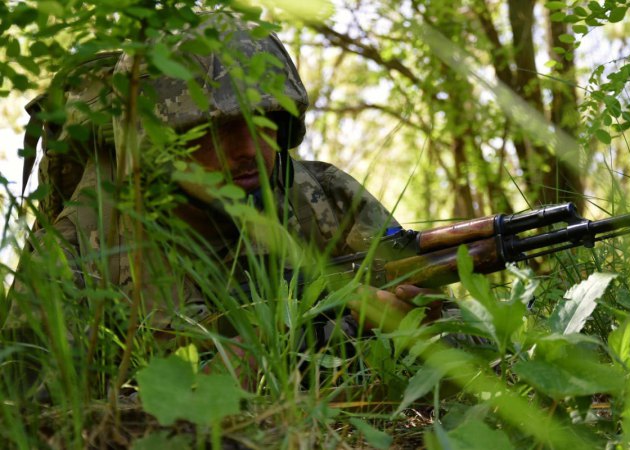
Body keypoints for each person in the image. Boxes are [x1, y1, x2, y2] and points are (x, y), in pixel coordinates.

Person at [2, 12, 437, 387]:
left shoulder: (324, 199)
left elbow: (467, 342)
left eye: (264, 120)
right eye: (217, 130)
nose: (248, 147)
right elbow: (33, 413)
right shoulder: (78, 250)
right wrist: (305, 339)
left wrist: (415, 320)